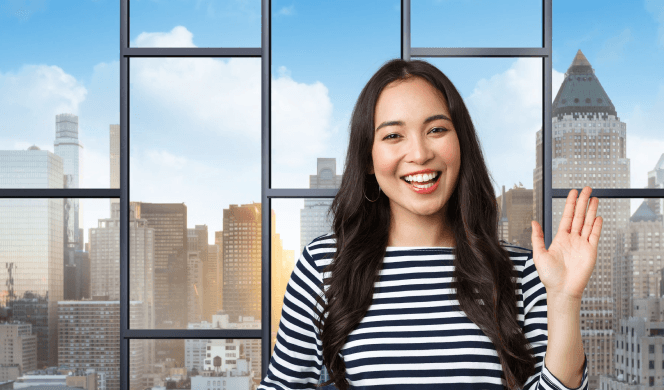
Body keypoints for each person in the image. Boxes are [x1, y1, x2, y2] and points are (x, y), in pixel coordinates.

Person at [258, 59, 601, 390]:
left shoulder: (524, 271)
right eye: (394, 136)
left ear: (461, 143)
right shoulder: (323, 264)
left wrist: (565, 298)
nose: (419, 154)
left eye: (436, 130)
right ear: (368, 158)